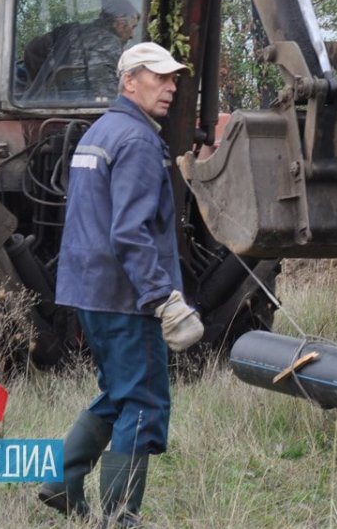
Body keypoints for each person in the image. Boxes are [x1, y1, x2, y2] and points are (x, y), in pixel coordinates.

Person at [39, 42, 203, 525]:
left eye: (173, 78)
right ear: (130, 81)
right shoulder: (136, 142)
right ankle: (120, 517)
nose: (170, 87)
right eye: (159, 77)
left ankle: (62, 484)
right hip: (127, 296)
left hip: (88, 289)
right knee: (144, 402)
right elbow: (129, 232)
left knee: (116, 392)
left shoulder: (100, 133)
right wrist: (162, 298)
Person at [22, 0, 141, 99]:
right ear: (119, 23)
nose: (131, 35)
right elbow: (106, 95)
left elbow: (31, 49)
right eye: (132, 27)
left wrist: (40, 83)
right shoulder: (109, 43)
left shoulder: (70, 32)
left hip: (56, 103)